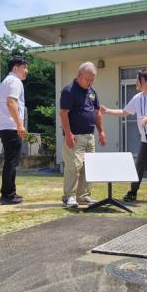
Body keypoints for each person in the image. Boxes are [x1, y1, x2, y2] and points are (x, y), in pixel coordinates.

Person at [101, 68, 147, 202]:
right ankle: (132, 192)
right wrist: (107, 110)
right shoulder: (137, 98)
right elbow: (124, 112)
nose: (136, 82)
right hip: (146, 139)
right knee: (139, 165)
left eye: (138, 79)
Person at [59, 61, 107, 209]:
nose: (90, 82)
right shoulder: (69, 91)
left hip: (89, 136)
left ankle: (83, 195)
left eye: (92, 79)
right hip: (75, 136)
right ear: (79, 76)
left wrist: (101, 131)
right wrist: (68, 134)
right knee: (74, 166)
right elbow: (63, 113)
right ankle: (69, 197)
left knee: (89, 167)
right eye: (88, 79)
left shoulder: (92, 92)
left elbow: (97, 112)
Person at [0, 55, 28, 204]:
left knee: (10, 161)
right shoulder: (15, 81)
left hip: (4, 125)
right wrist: (20, 124)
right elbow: (11, 102)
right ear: (15, 68)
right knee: (12, 161)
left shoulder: (6, 81)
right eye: (24, 67)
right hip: (10, 126)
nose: (26, 71)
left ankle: (9, 192)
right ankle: (7, 195)